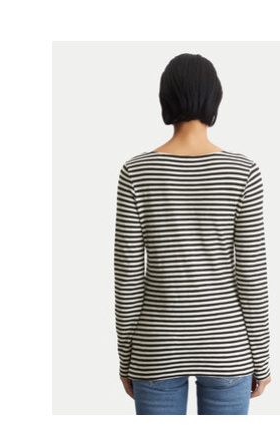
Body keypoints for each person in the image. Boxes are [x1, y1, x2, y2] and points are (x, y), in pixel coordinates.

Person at [114, 53, 271, 415]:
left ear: (165, 98)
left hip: (157, 348)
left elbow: (128, 278)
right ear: (215, 98)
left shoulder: (136, 173)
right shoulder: (243, 172)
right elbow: (251, 275)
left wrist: (127, 360)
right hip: (226, 346)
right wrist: (261, 360)